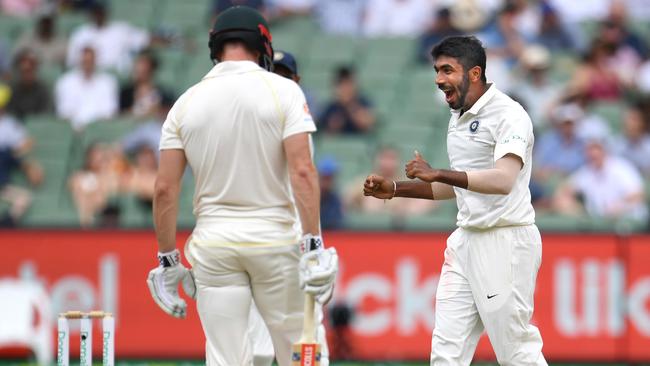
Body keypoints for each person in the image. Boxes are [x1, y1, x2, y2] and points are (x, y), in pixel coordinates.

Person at [145, 6, 338, 366]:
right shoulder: (284, 91)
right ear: (263, 44)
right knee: (300, 355)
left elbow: (164, 190)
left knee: (226, 359)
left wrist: (168, 259)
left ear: (214, 47)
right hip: (275, 241)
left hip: (214, 246)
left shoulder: (185, 103)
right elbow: (303, 171)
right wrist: (313, 243)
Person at [363, 36, 546, 365]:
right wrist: (394, 188)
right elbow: (459, 187)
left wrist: (440, 173)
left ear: (475, 73)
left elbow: (504, 180)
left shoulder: (510, 115)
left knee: (516, 352)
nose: (438, 79)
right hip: (465, 241)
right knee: (446, 354)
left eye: (448, 70)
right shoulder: (458, 117)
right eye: (436, 70)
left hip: (505, 239)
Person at [554, 136, 648, 222]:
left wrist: (620, 205)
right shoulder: (587, 172)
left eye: (596, 149)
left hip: (631, 222)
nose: (593, 153)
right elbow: (564, 190)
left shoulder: (621, 167)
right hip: (602, 225)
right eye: (589, 150)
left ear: (605, 150)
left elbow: (638, 194)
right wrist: (575, 208)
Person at [0, 84, 43, 227]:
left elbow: (25, 149)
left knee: (23, 198)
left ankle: (5, 226)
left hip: (2, 187)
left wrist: (28, 165)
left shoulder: (7, 150)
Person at [55, 46, 118, 130]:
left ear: (95, 61)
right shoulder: (65, 82)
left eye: (90, 61)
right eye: (85, 61)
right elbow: (64, 113)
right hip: (73, 130)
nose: (87, 64)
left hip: (100, 129)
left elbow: (109, 112)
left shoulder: (108, 82)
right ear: (79, 61)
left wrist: (92, 127)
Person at [7, 49, 52, 120]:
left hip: (38, 126)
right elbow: (9, 114)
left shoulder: (43, 89)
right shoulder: (11, 89)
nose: (28, 74)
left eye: (31, 70)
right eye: (25, 71)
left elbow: (45, 115)